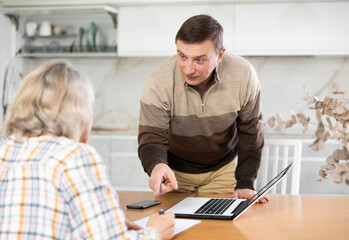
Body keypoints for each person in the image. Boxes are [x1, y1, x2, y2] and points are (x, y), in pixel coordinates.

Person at [0, 59, 175, 240]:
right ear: (79, 114)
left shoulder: (4, 151)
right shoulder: (74, 156)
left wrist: (109, 224)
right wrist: (155, 232)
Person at [138, 14, 268, 203]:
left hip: (223, 171)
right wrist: (157, 166)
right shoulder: (158, 82)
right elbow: (151, 139)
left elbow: (251, 132)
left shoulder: (243, 75)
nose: (188, 69)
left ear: (220, 55)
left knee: (221, 230)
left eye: (199, 60)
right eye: (182, 56)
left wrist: (245, 182)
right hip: (175, 174)